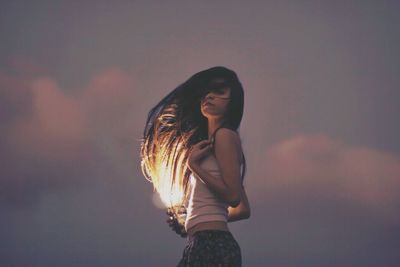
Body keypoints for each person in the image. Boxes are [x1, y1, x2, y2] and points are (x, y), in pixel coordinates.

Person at [140, 66, 250, 267]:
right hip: (201, 242)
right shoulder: (211, 144)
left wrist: (195, 167)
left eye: (219, 91)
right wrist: (186, 221)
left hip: (213, 244)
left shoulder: (224, 136)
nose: (209, 95)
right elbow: (243, 209)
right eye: (207, 91)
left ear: (232, 102)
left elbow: (233, 198)